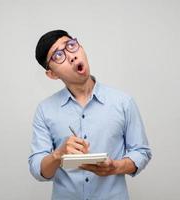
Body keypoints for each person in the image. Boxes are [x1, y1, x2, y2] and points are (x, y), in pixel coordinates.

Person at [28, 29, 152, 200]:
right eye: (58, 55)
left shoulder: (123, 102)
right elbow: (37, 169)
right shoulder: (45, 110)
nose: (72, 56)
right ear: (52, 74)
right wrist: (59, 154)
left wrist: (115, 167)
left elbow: (141, 152)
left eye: (71, 45)